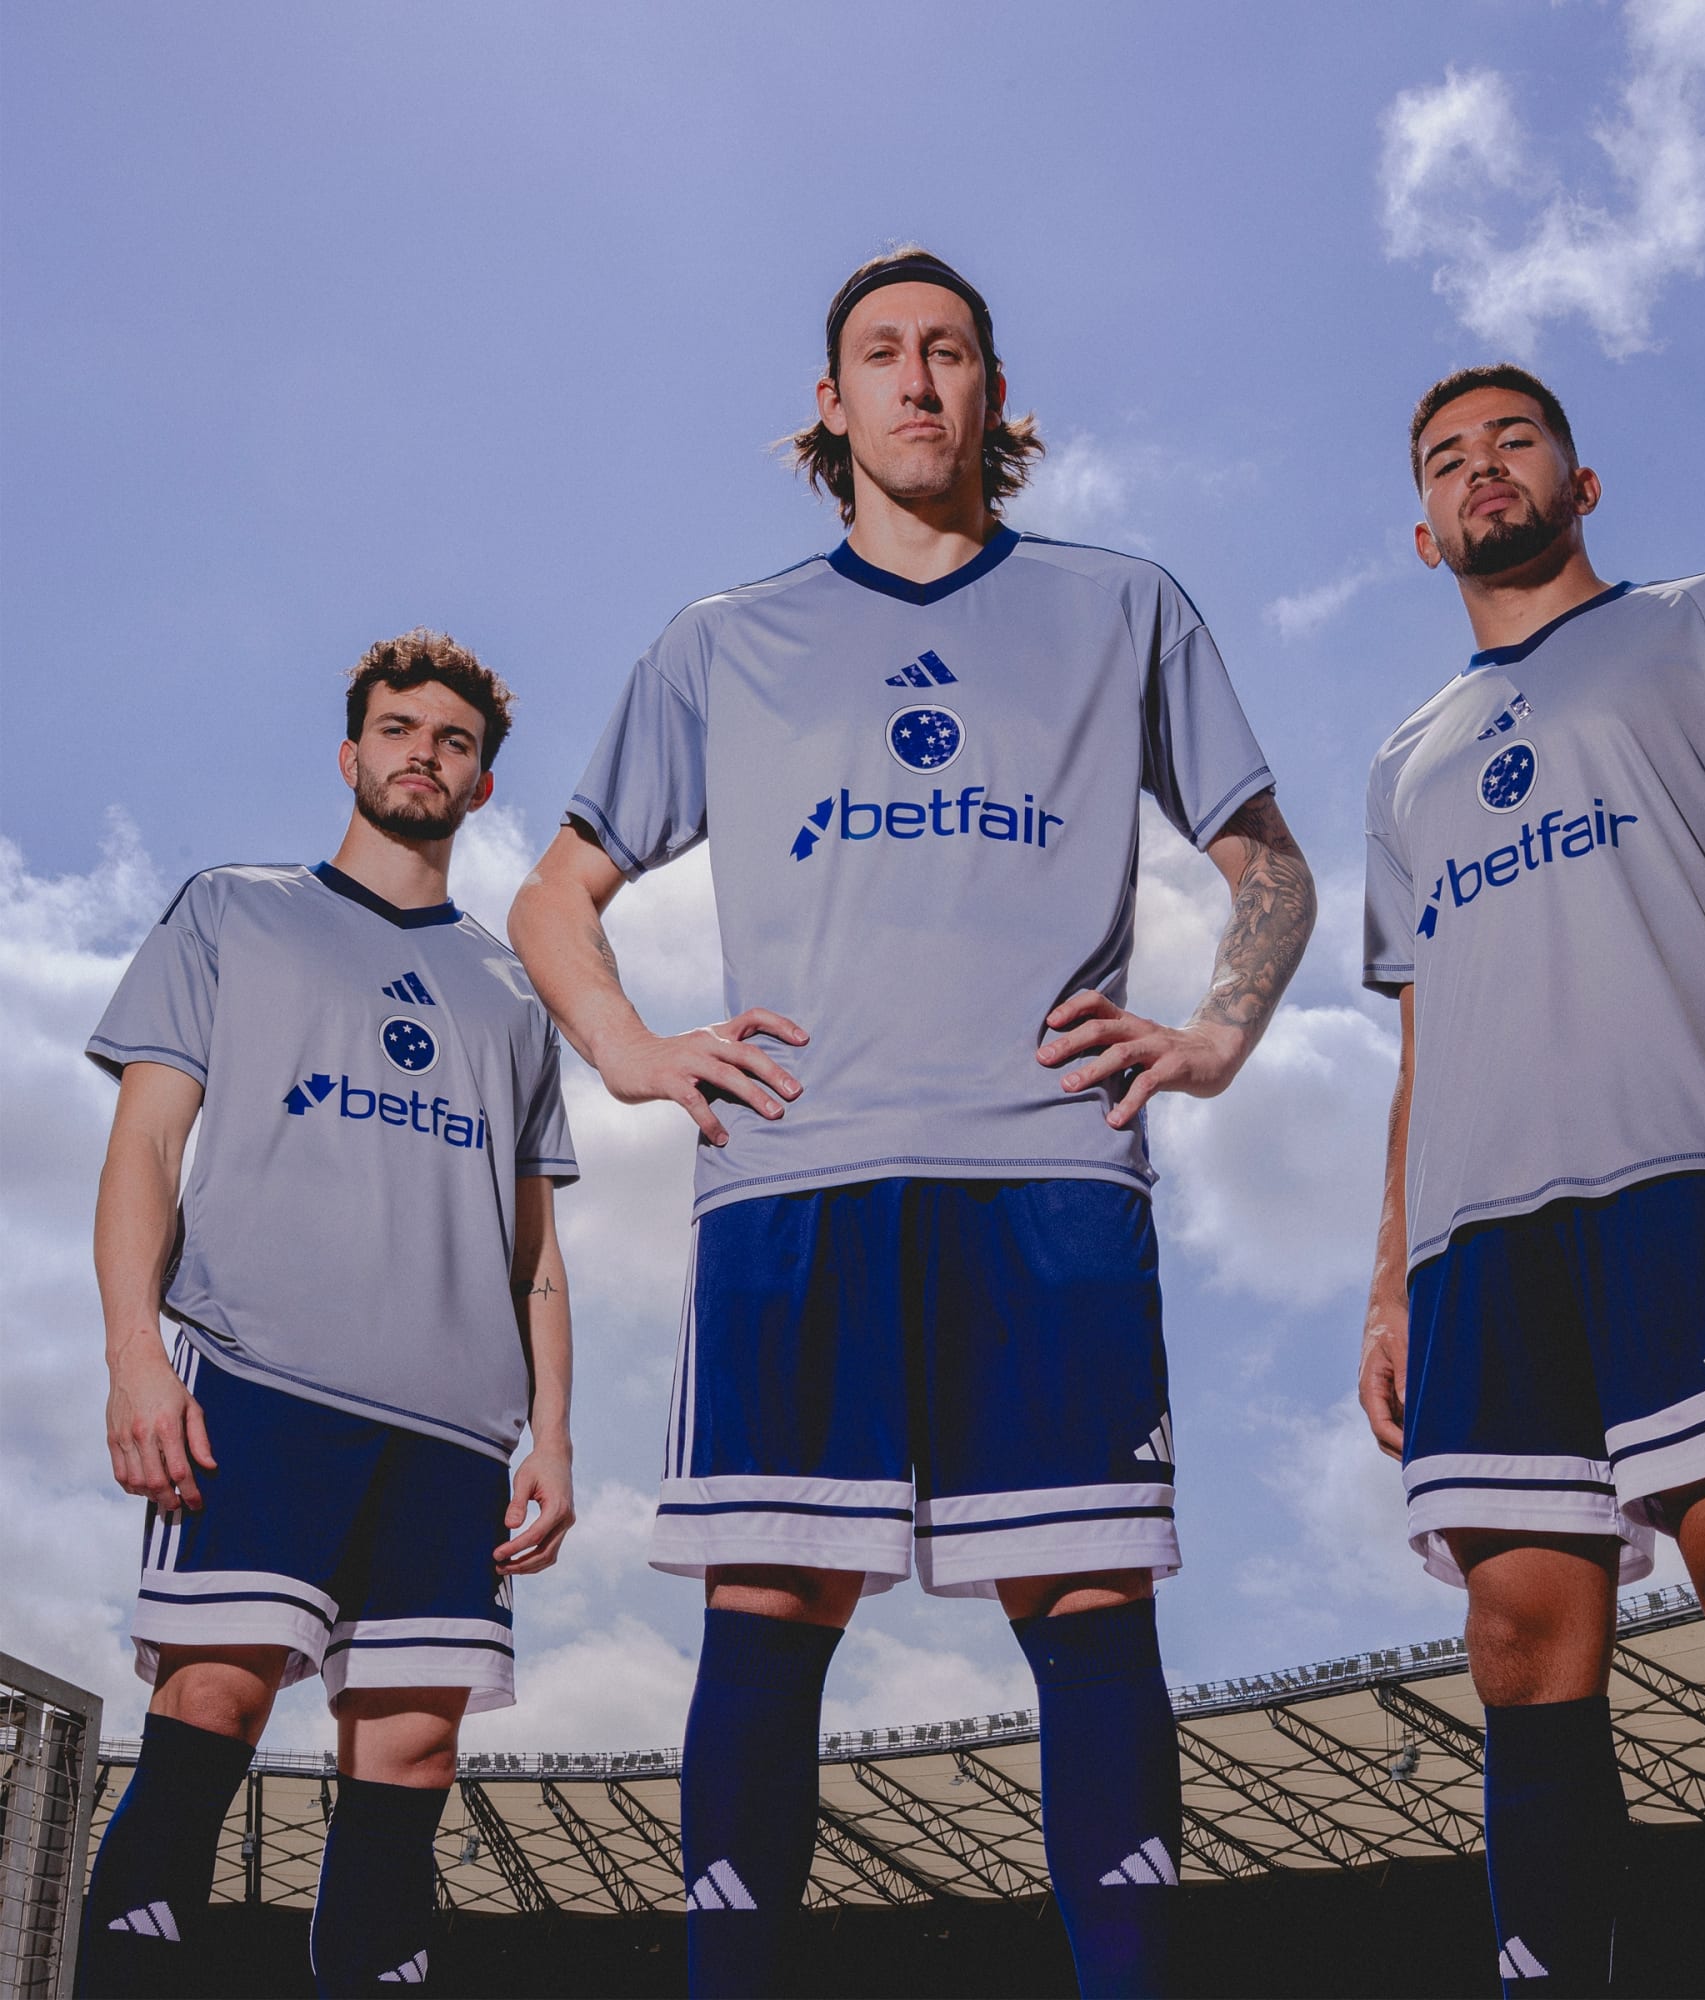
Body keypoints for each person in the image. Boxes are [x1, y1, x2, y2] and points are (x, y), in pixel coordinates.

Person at [510, 245, 1314, 1998]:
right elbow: (554, 895)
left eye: (950, 351)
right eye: (883, 352)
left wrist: (1216, 1033)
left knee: (1091, 1606)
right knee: (766, 1609)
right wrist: (635, 1052)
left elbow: (1268, 861)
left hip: (1049, 1173)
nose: (918, 379)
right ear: (833, 402)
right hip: (798, 1180)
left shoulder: (1122, 605)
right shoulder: (723, 640)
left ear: (994, 394)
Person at [1358, 365, 1705, 1999]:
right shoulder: (1404, 760)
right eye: (1448, 459)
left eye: (1514, 441)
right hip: (1476, 1243)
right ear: (1423, 531)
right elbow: (1419, 1044)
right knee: (1516, 1642)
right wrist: (1388, 1283)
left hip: (1692, 1175)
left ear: (1580, 482)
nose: (1483, 469)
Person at [79, 632, 578, 1998]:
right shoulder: (231, 912)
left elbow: (536, 1249)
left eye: (455, 741)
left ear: (481, 784)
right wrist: (134, 1355)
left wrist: (552, 1434)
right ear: (351, 753)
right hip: (260, 1383)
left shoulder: (515, 996)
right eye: (399, 729)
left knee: (414, 1753)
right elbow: (145, 1149)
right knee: (212, 1700)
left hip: (456, 1432)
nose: (425, 754)